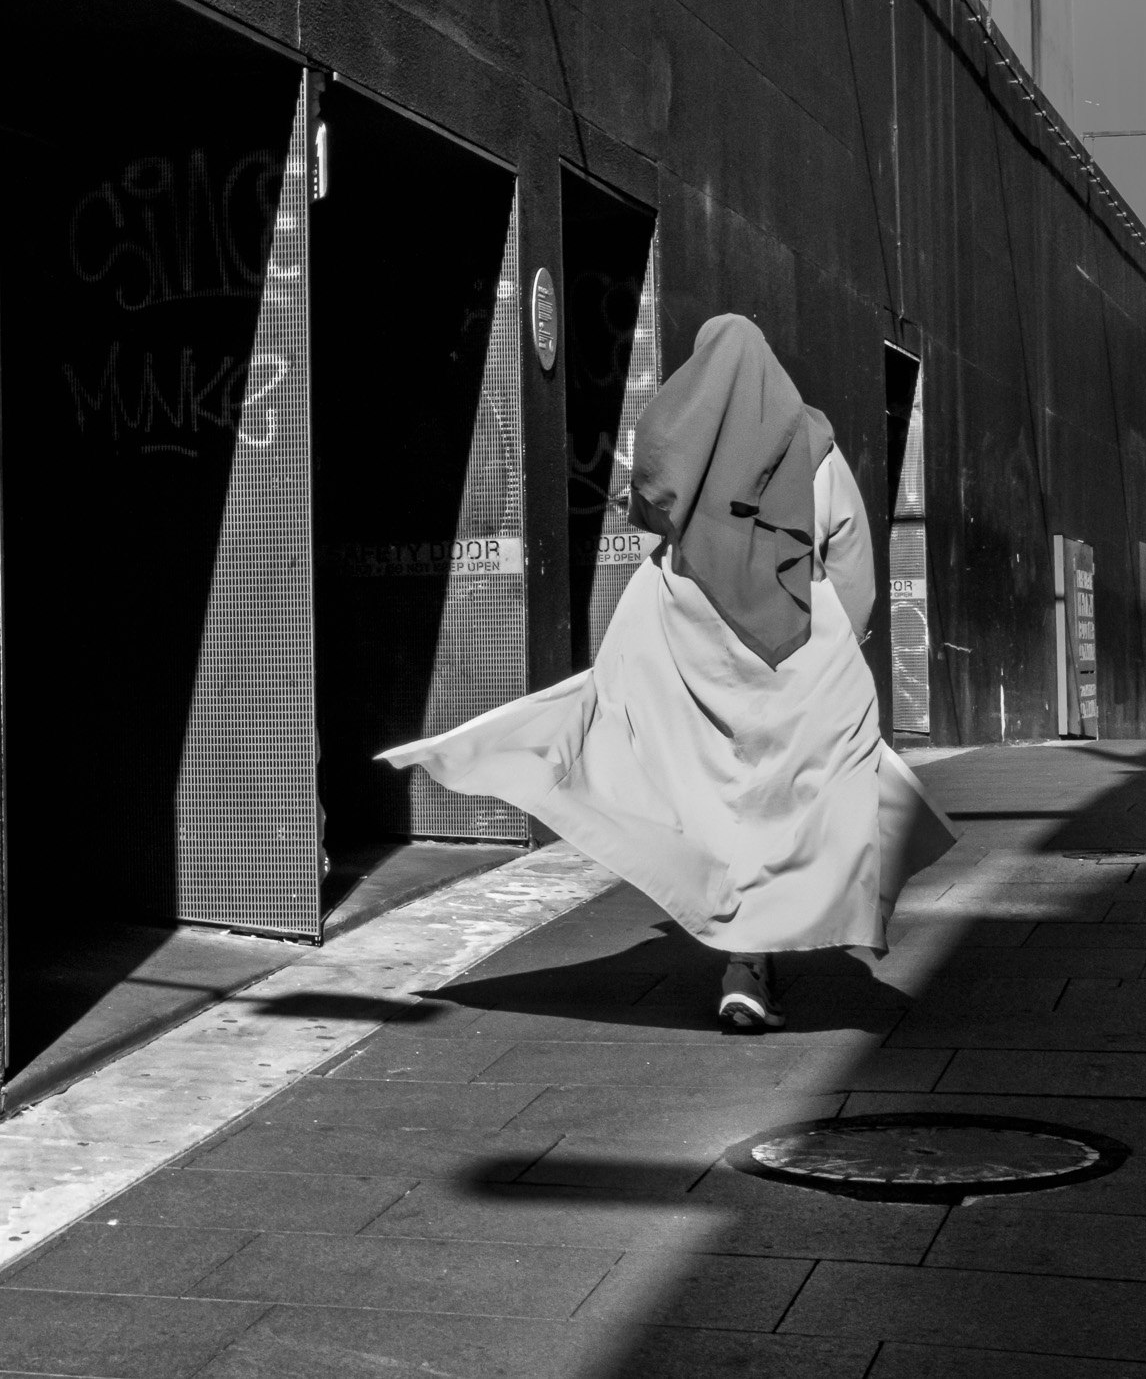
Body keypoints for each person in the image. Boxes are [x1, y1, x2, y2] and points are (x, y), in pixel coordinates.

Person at [380, 314, 956, 1029]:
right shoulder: (818, 452)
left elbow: (650, 510)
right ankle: (762, 947)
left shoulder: (680, 442)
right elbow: (851, 567)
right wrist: (839, 643)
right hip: (795, 650)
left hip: (691, 649)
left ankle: (745, 958)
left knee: (707, 798)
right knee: (795, 801)